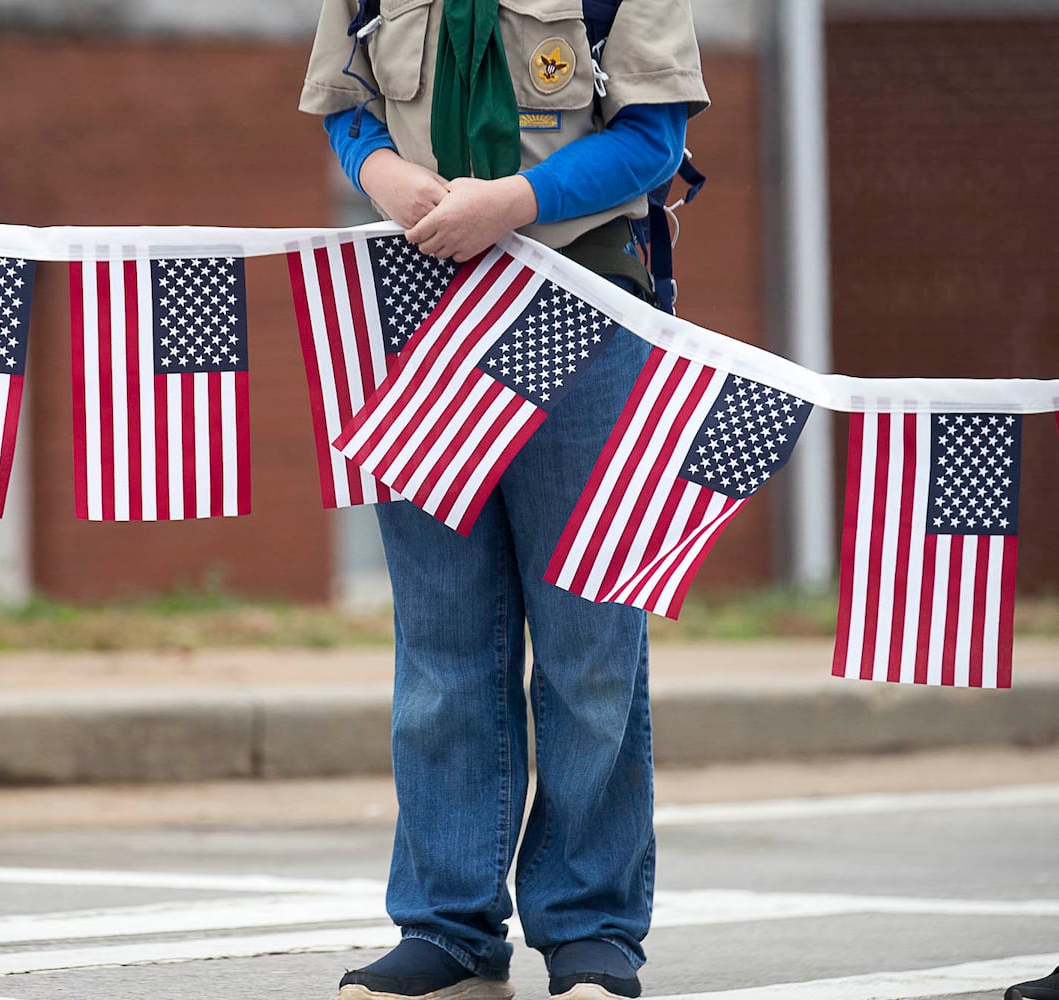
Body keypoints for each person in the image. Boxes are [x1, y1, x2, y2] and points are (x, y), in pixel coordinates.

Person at [298, 2, 708, 999]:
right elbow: (346, 108)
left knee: (588, 645)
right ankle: (449, 928)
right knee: (443, 641)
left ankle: (591, 931)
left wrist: (518, 199)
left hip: (581, 308)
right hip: (420, 312)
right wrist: (381, 172)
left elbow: (654, 140)